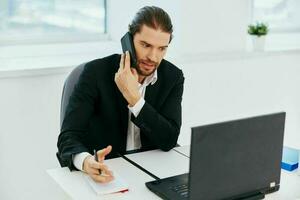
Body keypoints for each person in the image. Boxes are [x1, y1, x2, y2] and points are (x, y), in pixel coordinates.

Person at [57, 6, 184, 183]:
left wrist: (135, 99)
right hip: (109, 173)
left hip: (152, 172)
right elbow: (68, 136)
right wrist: (86, 162)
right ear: (129, 40)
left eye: (162, 48)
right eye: (146, 45)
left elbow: (169, 139)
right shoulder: (94, 73)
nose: (153, 57)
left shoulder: (173, 77)